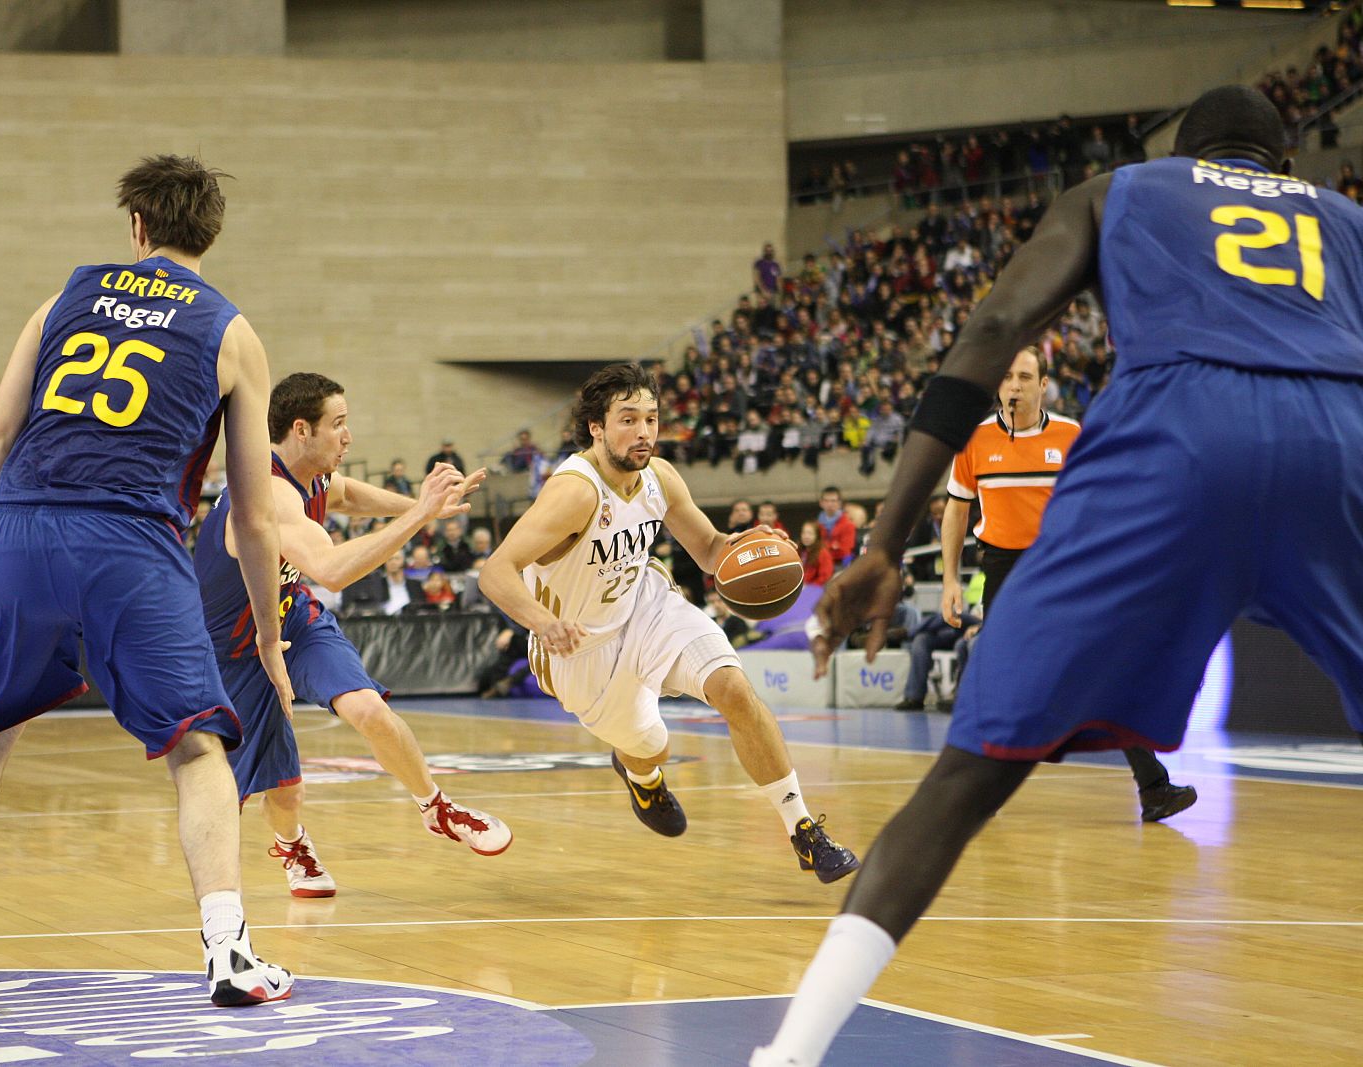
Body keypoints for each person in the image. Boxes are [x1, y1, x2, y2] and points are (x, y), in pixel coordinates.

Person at [754, 86, 1363, 1064]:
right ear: (1284, 164)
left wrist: (884, 539)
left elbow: (994, 326)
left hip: (1177, 431)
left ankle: (787, 1054)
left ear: (1183, 154)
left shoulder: (1119, 189)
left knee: (967, 775)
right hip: (1342, 436)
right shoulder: (1345, 221)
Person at [0, 155, 296, 1007]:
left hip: (23, 533)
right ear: (209, 233)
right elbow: (254, 516)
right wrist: (264, 630)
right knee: (195, 745)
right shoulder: (232, 333)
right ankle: (227, 949)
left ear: (137, 228)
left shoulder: (62, 301)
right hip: (129, 544)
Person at [480, 363, 859, 883]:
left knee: (734, 689)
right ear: (596, 426)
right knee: (650, 746)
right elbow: (495, 571)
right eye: (628, 419)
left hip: (646, 604)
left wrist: (751, 545)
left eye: (651, 419)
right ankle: (643, 775)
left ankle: (803, 831)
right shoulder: (575, 492)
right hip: (579, 648)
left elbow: (708, 550)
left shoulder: (659, 477)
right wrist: (543, 622)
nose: (643, 432)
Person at [194, 371, 510, 899]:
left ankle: (436, 808)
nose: (348, 436)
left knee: (369, 709)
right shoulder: (266, 494)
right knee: (285, 790)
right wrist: (421, 517)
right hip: (235, 646)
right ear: (302, 430)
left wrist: (417, 507)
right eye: (338, 425)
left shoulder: (313, 477)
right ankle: (293, 844)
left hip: (292, 617)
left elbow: (346, 495)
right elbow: (332, 570)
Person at [938, 347, 1196, 820]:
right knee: (1001, 683)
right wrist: (950, 579)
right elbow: (957, 510)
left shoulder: (1070, 435)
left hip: (1064, 566)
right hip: (1002, 569)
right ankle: (974, 790)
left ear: (1044, 385)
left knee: (1106, 673)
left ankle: (1154, 788)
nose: (1014, 385)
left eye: (1025, 377)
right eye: (1007, 377)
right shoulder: (973, 442)